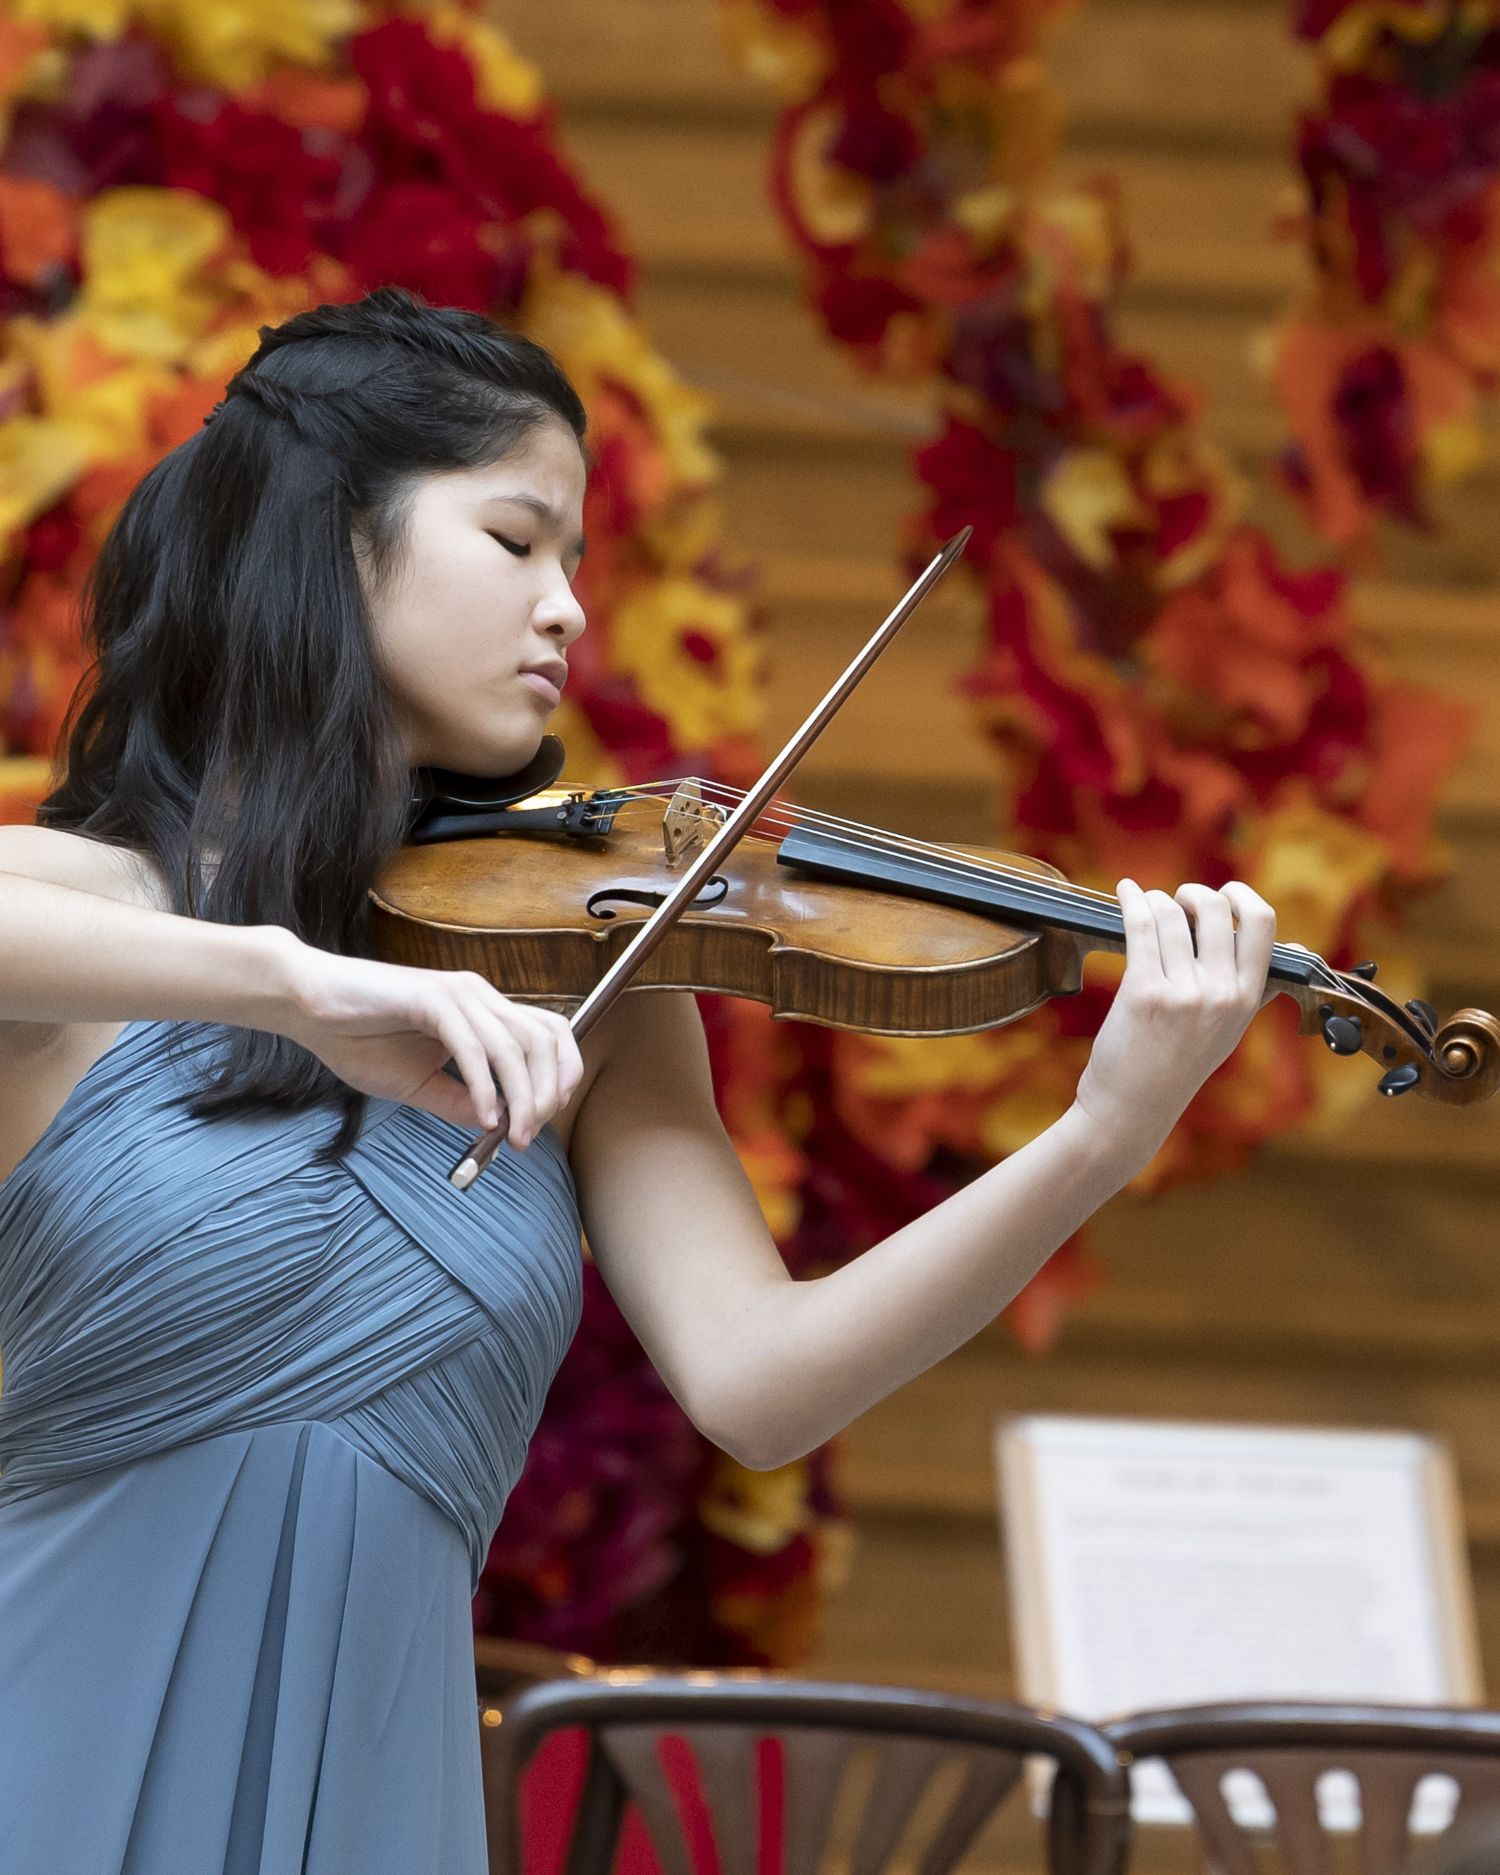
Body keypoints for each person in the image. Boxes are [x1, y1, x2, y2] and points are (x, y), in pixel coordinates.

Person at [0, 284, 1277, 1870]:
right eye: (517, 539)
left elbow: (763, 1387)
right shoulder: (81, 911)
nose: (569, 612)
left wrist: (1100, 1134)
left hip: (375, 1794)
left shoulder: (585, 984)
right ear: (332, 539)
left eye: (581, 563)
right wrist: (297, 980)